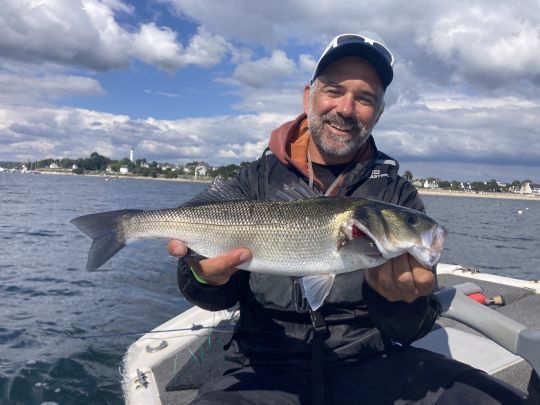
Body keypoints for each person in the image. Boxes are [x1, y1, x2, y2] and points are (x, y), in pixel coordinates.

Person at [167, 34, 525, 404]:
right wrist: (203, 276)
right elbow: (210, 292)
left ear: (379, 112)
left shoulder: (396, 195)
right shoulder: (253, 181)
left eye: (365, 98)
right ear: (309, 96)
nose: (346, 108)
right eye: (334, 90)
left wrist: (401, 301)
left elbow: (414, 325)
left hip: (374, 364)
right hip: (264, 366)